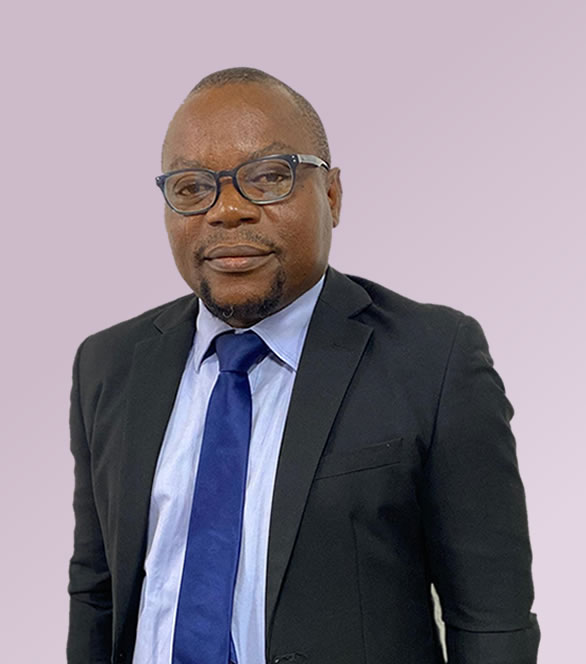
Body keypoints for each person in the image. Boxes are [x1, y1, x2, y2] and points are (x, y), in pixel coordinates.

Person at [66, 67, 540, 664]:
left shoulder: (434, 359)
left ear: (332, 196)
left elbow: (493, 621)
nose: (227, 210)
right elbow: (97, 591)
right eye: (191, 187)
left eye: (268, 177)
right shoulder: (109, 365)